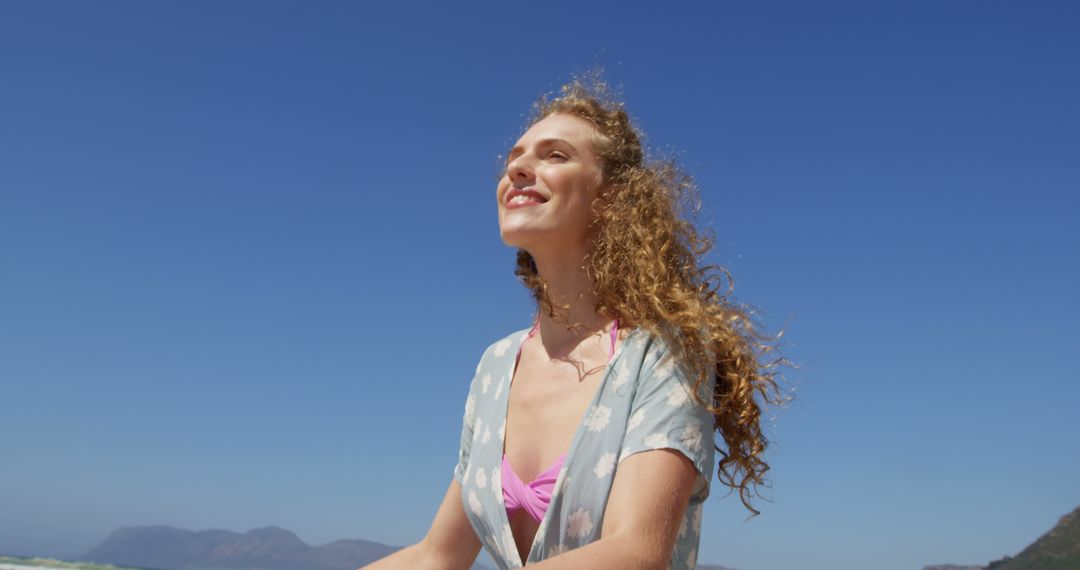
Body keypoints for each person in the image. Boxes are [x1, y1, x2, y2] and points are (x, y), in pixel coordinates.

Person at [362, 68, 791, 570]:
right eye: (513, 159)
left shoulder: (662, 354)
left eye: (555, 155)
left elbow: (637, 553)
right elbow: (438, 555)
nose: (518, 169)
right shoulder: (496, 365)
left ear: (611, 200)